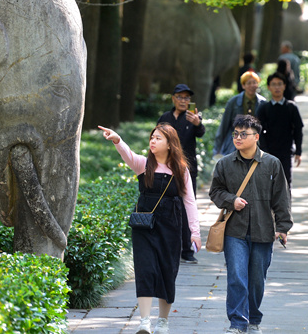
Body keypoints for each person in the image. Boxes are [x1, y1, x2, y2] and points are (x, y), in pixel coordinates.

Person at [99, 124, 201, 334]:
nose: (152, 141)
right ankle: (144, 322)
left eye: (158, 138)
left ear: (170, 144)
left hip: (171, 226)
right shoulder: (143, 164)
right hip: (144, 226)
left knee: (167, 271)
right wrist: (117, 140)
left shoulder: (180, 170)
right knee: (145, 269)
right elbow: (127, 154)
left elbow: (189, 201)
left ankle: (162, 322)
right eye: (152, 137)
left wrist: (195, 233)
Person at [209, 115, 293, 334]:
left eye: (243, 134)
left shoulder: (272, 164)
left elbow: (281, 197)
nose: (238, 138)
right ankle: (237, 323)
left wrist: (283, 227)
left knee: (257, 281)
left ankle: (253, 320)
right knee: (237, 277)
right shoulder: (225, 164)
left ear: (256, 137)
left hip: (263, 230)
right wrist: (231, 200)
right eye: (235, 134)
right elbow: (215, 191)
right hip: (234, 231)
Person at [157, 83, 205, 265]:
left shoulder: (193, 117)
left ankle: (187, 250)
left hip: (187, 170)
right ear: (173, 99)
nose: (183, 101)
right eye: (180, 97)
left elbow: (201, 132)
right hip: (165, 169)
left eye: (187, 98)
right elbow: (156, 138)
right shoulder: (165, 118)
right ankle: (168, 248)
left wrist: (197, 123)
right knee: (166, 207)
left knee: (187, 208)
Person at [256, 72, 304, 187]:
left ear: (284, 86)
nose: (277, 87)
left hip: (286, 152)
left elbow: (298, 130)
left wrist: (298, 152)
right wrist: (264, 150)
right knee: (269, 185)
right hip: (268, 153)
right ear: (269, 87)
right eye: (273, 84)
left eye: (279, 84)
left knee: (286, 183)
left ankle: (286, 200)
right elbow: (258, 130)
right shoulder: (264, 108)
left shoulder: (291, 107)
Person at [216, 71, 267, 157]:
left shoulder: (263, 103)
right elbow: (223, 126)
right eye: (249, 83)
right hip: (234, 145)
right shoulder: (233, 102)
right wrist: (217, 150)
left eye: (254, 82)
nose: (252, 86)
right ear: (243, 85)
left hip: (256, 144)